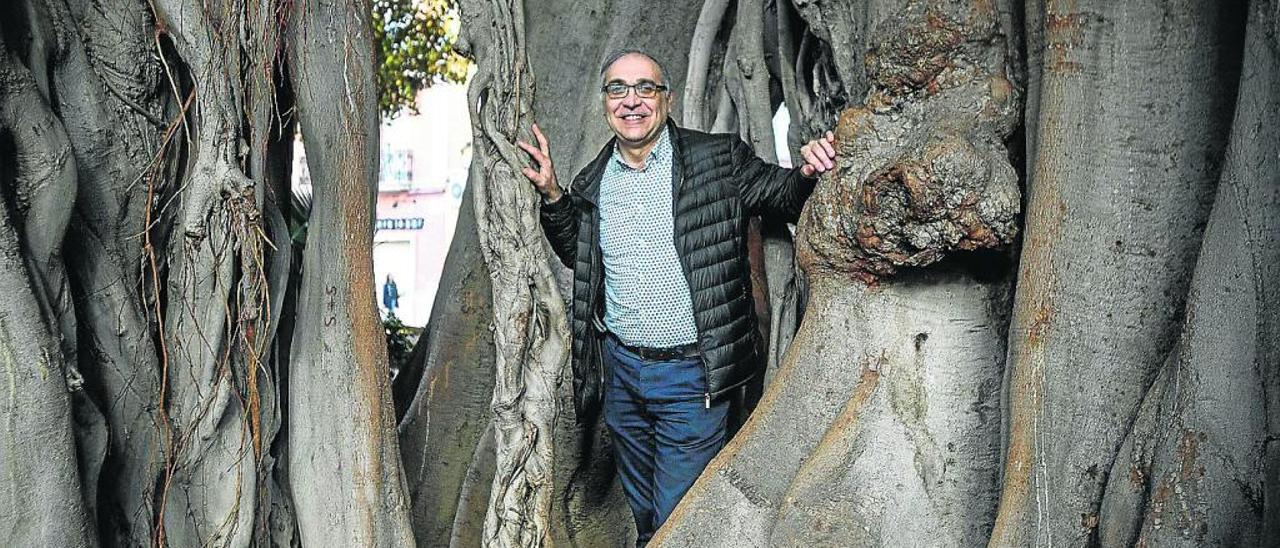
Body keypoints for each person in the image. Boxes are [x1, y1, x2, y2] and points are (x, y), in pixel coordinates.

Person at [518, 48, 837, 546]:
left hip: (693, 378)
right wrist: (555, 195)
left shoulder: (718, 160)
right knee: (645, 513)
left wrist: (810, 169)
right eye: (618, 89)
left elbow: (783, 195)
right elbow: (581, 258)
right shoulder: (593, 181)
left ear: (666, 99)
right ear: (606, 102)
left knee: (675, 521)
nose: (632, 101)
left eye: (645, 87)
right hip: (622, 375)